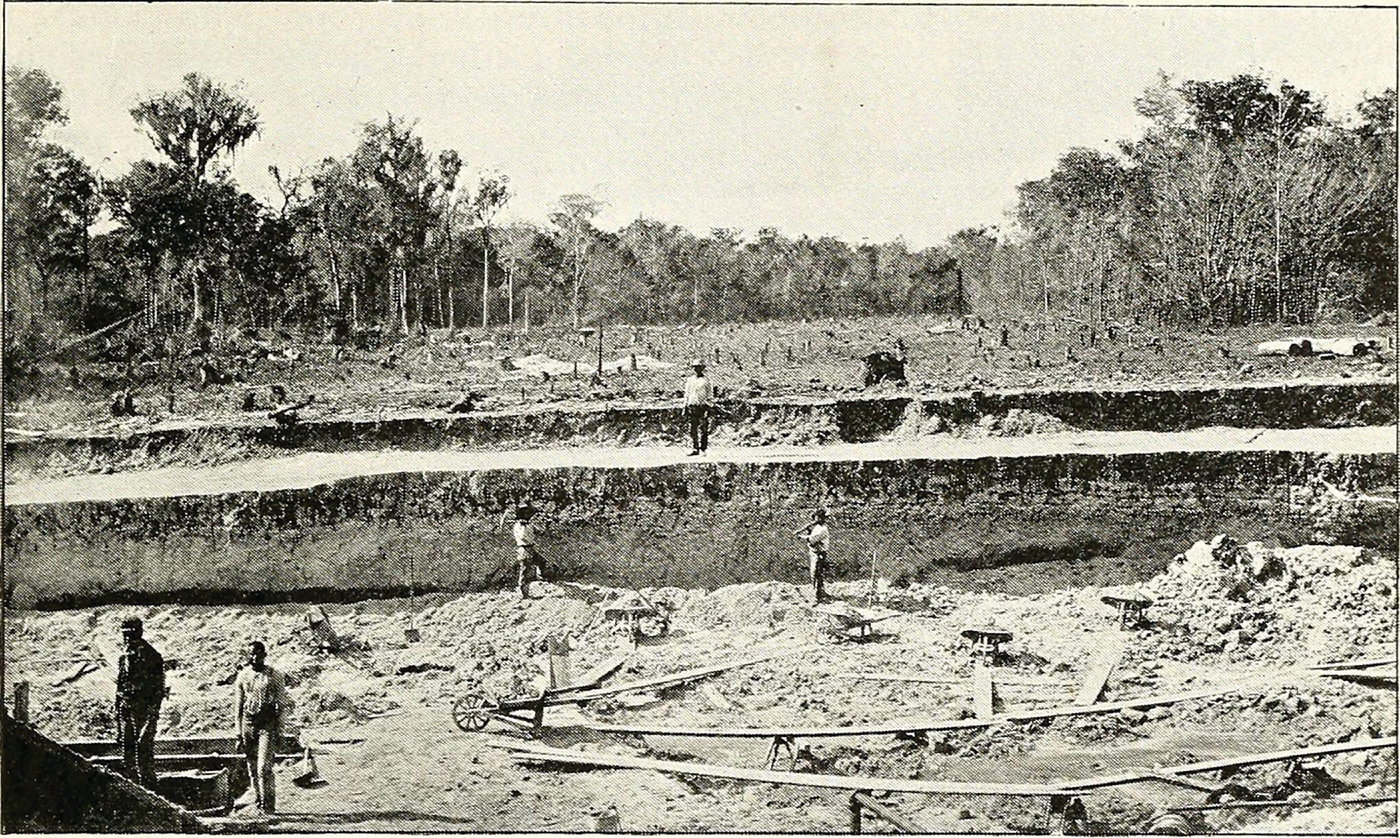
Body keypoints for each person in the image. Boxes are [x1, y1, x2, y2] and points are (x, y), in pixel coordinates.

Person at [234, 641, 294, 815]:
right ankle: (259, 802)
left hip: (267, 724)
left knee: (263, 768)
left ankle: (269, 806)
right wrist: (238, 733)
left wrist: (281, 731)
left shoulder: (274, 675)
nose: (254, 658)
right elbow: (238, 706)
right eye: (251, 654)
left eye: (258, 654)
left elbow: (281, 705)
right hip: (248, 724)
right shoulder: (243, 676)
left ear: (264, 655)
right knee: (252, 767)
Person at [115, 617, 165, 788]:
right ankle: (132, 787)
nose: (128, 639)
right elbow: (119, 687)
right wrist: (118, 717)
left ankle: (149, 787)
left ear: (140, 632)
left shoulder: (152, 657)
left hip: (144, 709)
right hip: (126, 709)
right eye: (125, 635)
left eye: (132, 634)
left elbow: (158, 689)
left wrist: (152, 716)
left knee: (143, 749)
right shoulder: (123, 657)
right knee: (127, 750)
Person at [501, 502, 545, 598]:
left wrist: (540, 528)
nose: (529, 515)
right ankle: (524, 594)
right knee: (524, 572)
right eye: (527, 514)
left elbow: (539, 532)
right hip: (524, 549)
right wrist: (525, 526)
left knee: (541, 561)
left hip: (531, 548)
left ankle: (540, 578)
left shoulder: (529, 524)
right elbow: (522, 537)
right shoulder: (518, 526)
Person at [793, 509, 831, 603]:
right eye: (816, 517)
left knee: (815, 573)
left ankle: (817, 597)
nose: (816, 519)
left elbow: (812, 540)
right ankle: (821, 592)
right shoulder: (817, 526)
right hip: (813, 552)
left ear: (822, 518)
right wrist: (806, 530)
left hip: (819, 554)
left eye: (818, 517)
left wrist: (801, 536)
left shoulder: (823, 529)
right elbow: (811, 536)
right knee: (817, 573)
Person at [683, 359, 712, 455]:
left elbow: (709, 395)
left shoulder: (706, 380)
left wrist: (708, 407)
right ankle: (695, 448)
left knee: (703, 428)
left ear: (702, 368)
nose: (696, 369)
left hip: (702, 406)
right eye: (695, 367)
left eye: (698, 367)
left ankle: (703, 449)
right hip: (692, 406)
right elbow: (687, 394)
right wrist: (685, 406)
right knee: (692, 428)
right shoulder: (690, 380)